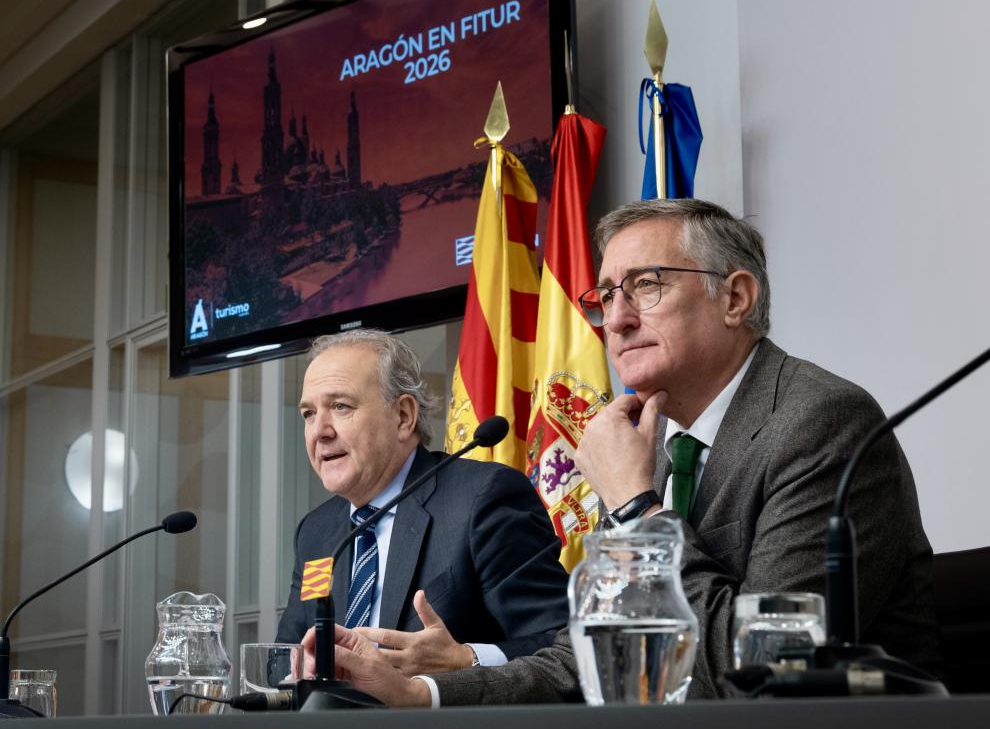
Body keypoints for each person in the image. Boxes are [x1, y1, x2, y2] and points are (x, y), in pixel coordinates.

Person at [320, 198, 939, 704]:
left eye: (645, 286)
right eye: (605, 296)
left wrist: (636, 505)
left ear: (735, 298)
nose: (614, 321)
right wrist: (422, 693)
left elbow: (760, 670)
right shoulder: (658, 442)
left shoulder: (822, 424)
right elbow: (588, 659)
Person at [277, 329, 570, 675]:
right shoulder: (317, 532)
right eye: (309, 414)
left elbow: (564, 645)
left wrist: (465, 658)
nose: (319, 431)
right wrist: (300, 666)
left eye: (340, 406)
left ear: (403, 416)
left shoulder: (481, 499)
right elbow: (283, 656)